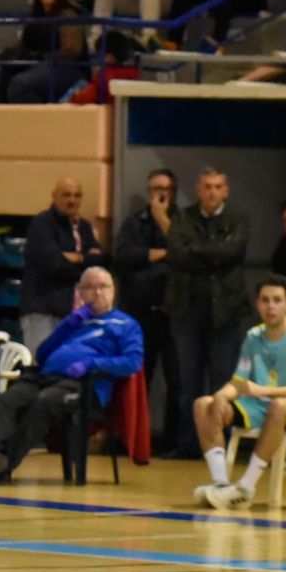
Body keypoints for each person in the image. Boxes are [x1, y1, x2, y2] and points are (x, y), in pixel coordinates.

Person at [0, 267, 142, 483]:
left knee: (43, 403)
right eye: (90, 287)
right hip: (45, 377)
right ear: (80, 292)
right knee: (7, 400)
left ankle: (3, 465)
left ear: (113, 290)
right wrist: (66, 327)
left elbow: (132, 362)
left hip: (83, 385)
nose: (97, 293)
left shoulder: (126, 325)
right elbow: (42, 354)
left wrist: (91, 363)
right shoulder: (76, 321)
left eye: (103, 287)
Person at [191, 275, 286, 510]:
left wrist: (263, 390)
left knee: (279, 406)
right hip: (260, 405)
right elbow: (239, 382)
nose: (271, 307)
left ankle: (246, 488)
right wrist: (221, 397)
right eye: (265, 300)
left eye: (277, 300)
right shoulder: (253, 337)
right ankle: (222, 485)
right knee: (204, 404)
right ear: (258, 304)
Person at [165, 167, 250, 457]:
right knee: (187, 382)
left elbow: (233, 251)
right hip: (187, 311)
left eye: (217, 187)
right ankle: (188, 444)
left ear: (226, 191)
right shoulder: (183, 217)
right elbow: (176, 254)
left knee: (222, 382)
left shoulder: (238, 219)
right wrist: (214, 252)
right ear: (198, 190)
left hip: (225, 313)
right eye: (207, 187)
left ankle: (219, 443)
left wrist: (196, 249)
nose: (212, 192)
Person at [113, 167, 184, 450]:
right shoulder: (134, 223)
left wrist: (162, 220)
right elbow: (122, 256)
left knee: (177, 380)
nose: (161, 194)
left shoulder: (183, 221)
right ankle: (131, 440)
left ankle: (173, 442)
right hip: (139, 313)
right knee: (138, 378)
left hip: (173, 314)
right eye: (156, 189)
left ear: (174, 193)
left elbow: (185, 254)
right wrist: (157, 254)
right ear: (148, 191)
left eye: (166, 189)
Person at [21, 176, 104, 353]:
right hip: (43, 309)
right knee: (42, 362)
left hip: (74, 310)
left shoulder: (84, 227)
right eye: (66, 195)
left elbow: (100, 263)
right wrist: (84, 259)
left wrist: (75, 258)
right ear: (54, 196)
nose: (72, 200)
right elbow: (53, 264)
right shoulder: (41, 224)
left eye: (77, 195)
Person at [0, 0, 85, 104]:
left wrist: (42, 58)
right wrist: (10, 54)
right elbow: (24, 42)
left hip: (64, 66)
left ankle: (38, 116)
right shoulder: (35, 15)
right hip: (35, 64)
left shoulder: (68, 14)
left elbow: (72, 50)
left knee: (20, 84)